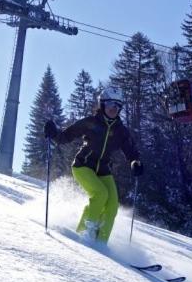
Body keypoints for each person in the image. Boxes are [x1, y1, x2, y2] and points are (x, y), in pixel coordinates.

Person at [44, 86, 143, 242]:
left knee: (112, 205)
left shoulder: (120, 131)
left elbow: (130, 150)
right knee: (100, 194)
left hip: (103, 169)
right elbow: (66, 136)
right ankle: (84, 234)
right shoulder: (91, 123)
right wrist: (54, 133)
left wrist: (135, 162)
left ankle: (101, 242)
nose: (114, 109)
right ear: (102, 104)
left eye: (118, 106)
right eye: (110, 104)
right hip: (83, 165)